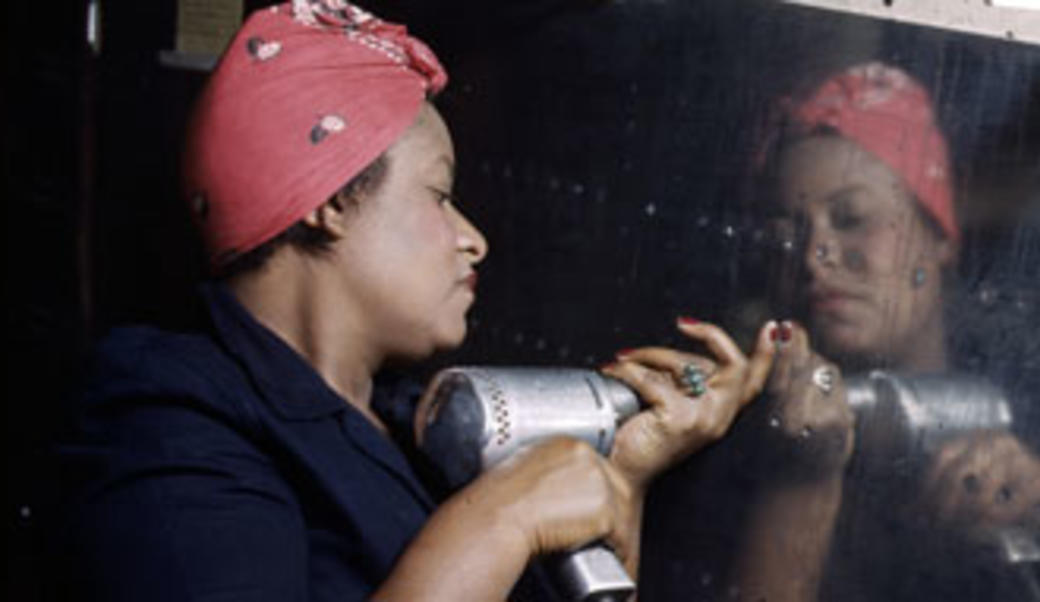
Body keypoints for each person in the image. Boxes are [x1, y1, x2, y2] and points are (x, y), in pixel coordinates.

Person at [55, 2, 778, 601]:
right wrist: (503, 520)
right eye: (439, 195)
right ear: (332, 200)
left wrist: (624, 476)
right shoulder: (167, 421)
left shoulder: (410, 427)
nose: (474, 239)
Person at [733, 61, 1040, 601]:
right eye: (787, 232)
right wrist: (802, 482)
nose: (813, 256)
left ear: (939, 233)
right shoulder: (742, 441)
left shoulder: (1023, 397)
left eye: (851, 217)